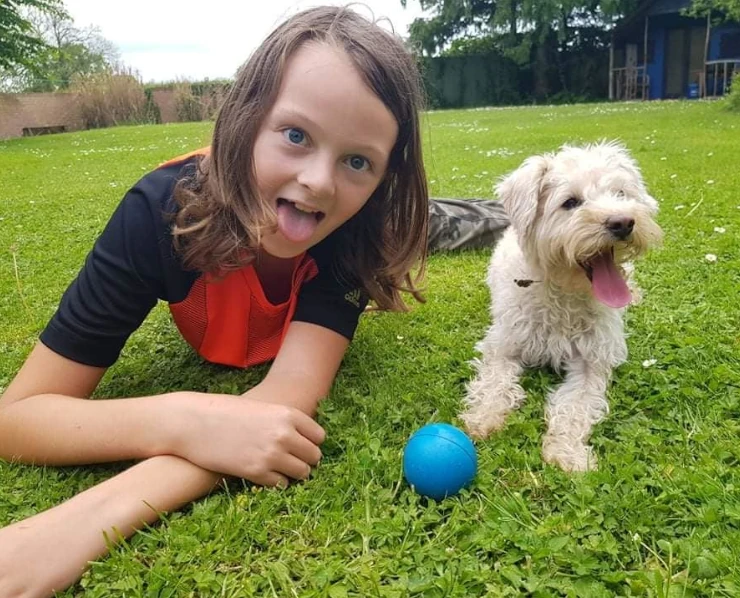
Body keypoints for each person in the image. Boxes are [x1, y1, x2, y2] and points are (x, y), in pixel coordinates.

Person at [0, 6, 508, 596]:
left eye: (357, 160)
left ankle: (505, 212)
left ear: (381, 176)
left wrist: (90, 521)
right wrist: (181, 420)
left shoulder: (356, 230)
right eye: (295, 135)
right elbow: (17, 417)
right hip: (248, 199)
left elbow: (278, 408)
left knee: (468, 222)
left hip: (381, 222)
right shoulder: (155, 215)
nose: (319, 179)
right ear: (244, 118)